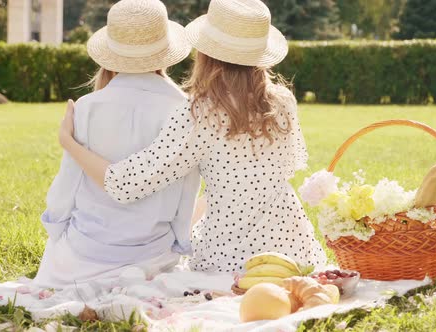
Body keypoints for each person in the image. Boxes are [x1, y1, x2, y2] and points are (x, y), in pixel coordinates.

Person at [59, 0, 327, 273]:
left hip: (228, 256)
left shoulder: (199, 113)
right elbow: (280, 171)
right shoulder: (282, 102)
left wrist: (69, 142)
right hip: (293, 249)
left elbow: (125, 183)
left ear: (206, 54)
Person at [34, 0, 199, 288]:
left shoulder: (85, 108)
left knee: (61, 258)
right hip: (152, 254)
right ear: (166, 54)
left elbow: (68, 185)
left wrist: (55, 227)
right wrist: (181, 242)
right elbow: (187, 188)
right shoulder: (184, 109)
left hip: (83, 255)